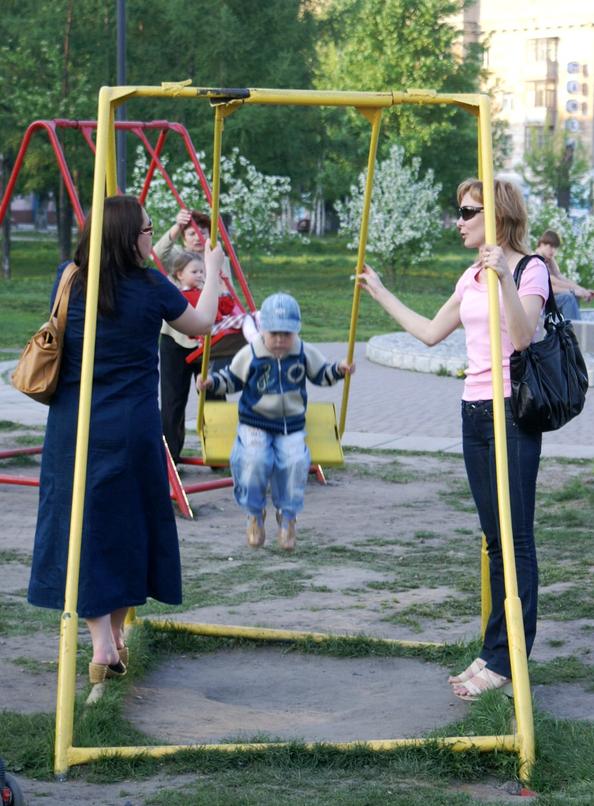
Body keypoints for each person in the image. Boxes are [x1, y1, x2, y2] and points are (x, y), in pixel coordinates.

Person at [359, 178, 549, 701]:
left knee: (516, 539)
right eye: (460, 210)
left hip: (512, 413)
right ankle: (494, 651)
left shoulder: (529, 270)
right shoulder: (470, 275)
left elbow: (522, 336)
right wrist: (381, 292)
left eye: (468, 211)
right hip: (473, 412)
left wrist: (503, 275)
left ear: (497, 215)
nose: (459, 220)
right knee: (494, 540)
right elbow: (429, 333)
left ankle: (508, 660)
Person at [27, 195, 222, 684]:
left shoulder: (70, 277)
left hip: (74, 424)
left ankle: (103, 641)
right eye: (147, 230)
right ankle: (111, 638)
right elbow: (200, 325)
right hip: (132, 426)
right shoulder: (152, 286)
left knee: (82, 526)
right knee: (128, 526)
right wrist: (214, 269)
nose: (151, 238)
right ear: (127, 238)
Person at [197, 292, 355, 552]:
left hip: (290, 425)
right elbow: (231, 380)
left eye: (287, 334)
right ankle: (254, 513)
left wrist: (339, 370)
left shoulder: (303, 352)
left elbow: (322, 375)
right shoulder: (251, 353)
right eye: (274, 334)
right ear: (262, 331)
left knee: (295, 462)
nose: (280, 340)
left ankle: (288, 515)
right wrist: (211, 382)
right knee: (253, 460)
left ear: (296, 332)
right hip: (254, 422)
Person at [160, 249, 236, 464]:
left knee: (213, 394)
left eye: (202, 271)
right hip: (177, 345)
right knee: (173, 399)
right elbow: (157, 254)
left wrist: (220, 286)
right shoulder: (175, 290)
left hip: (207, 345)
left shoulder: (207, 285)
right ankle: (170, 456)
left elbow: (226, 306)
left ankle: (218, 453)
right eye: (195, 272)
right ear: (179, 274)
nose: (200, 275)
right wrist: (174, 232)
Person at [535, 229, 593, 321]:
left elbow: (560, 277)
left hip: (547, 302)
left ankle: (569, 326)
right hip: (537, 306)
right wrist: (574, 291)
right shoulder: (536, 260)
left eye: (555, 248)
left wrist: (582, 290)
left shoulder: (548, 259)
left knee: (573, 295)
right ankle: (575, 329)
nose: (553, 251)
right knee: (568, 298)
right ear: (542, 244)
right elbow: (553, 284)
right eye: (551, 246)